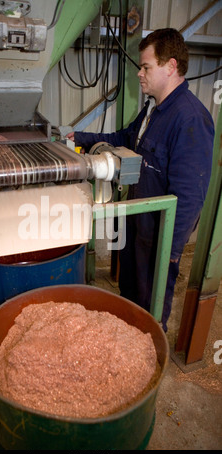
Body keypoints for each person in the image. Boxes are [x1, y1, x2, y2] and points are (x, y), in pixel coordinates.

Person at [66, 28, 215, 332]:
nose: (139, 74)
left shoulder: (190, 119)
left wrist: (169, 254)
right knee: (130, 298)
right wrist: (80, 137)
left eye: (146, 67)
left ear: (171, 66)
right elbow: (125, 138)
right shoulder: (152, 109)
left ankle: (149, 357)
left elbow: (189, 197)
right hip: (137, 225)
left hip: (158, 239)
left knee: (150, 311)